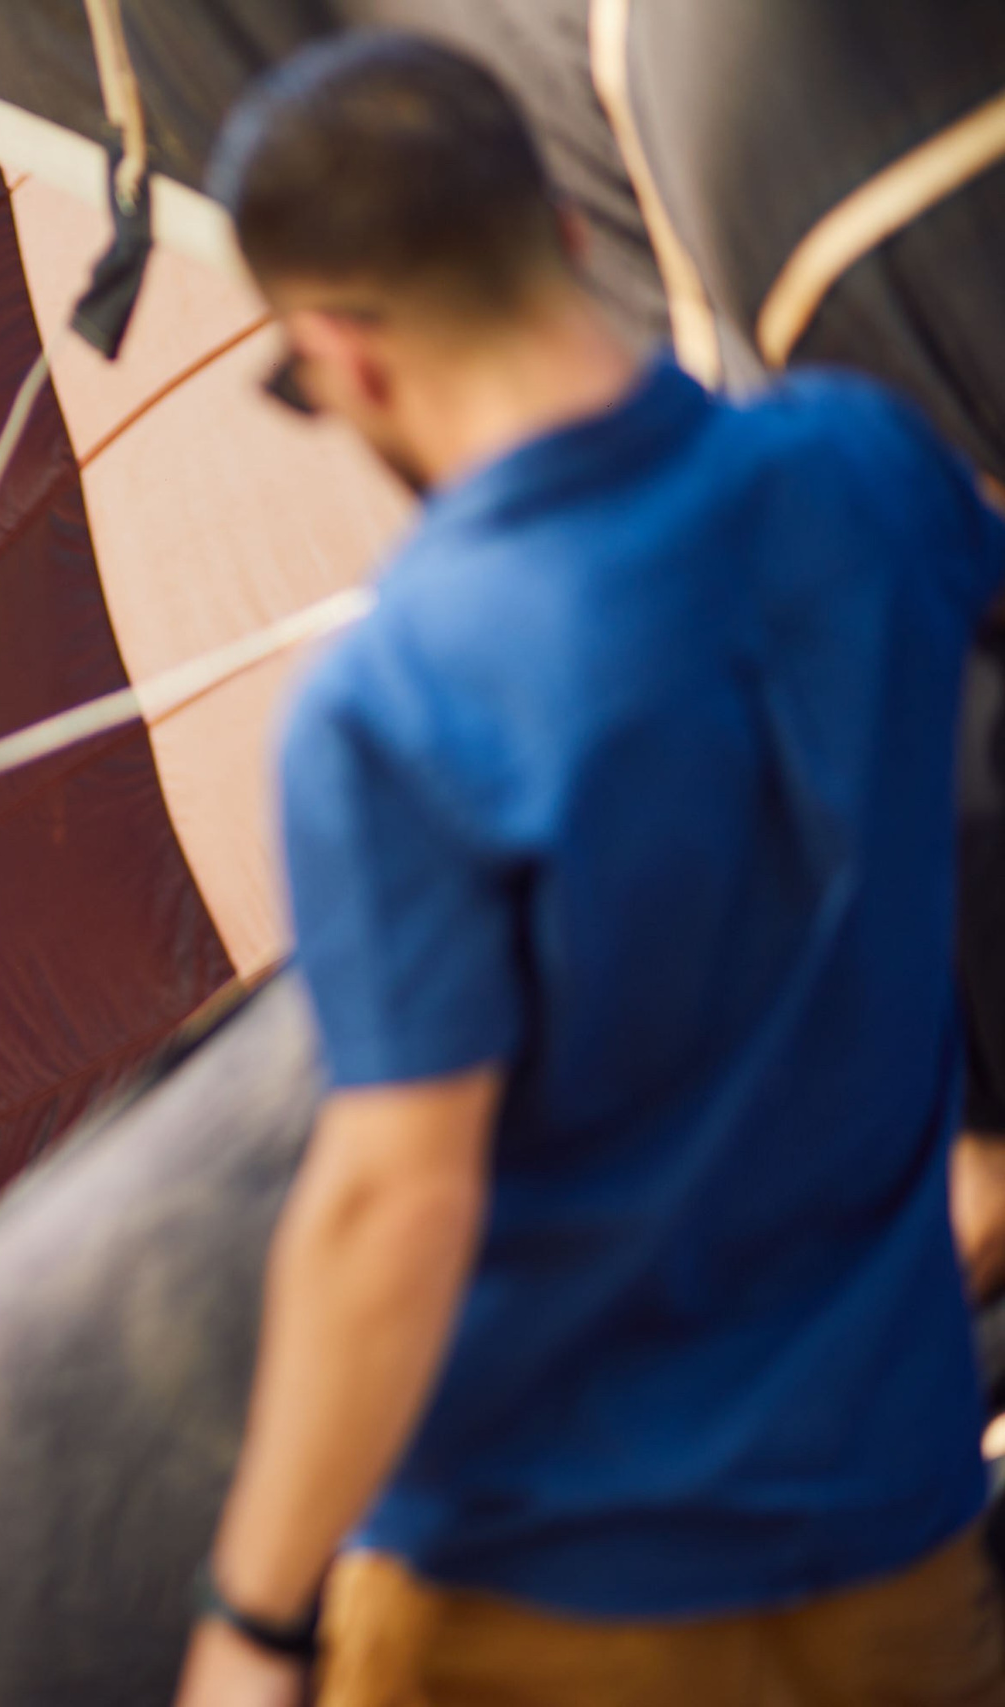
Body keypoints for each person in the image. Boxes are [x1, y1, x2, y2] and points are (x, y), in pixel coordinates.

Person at [174, 33, 1005, 1707]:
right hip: (907, 1548)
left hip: (541, 1590)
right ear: (562, 228)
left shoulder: (395, 699)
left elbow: (398, 1194)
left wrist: (255, 1614)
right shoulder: (867, 473)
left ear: (338, 351)